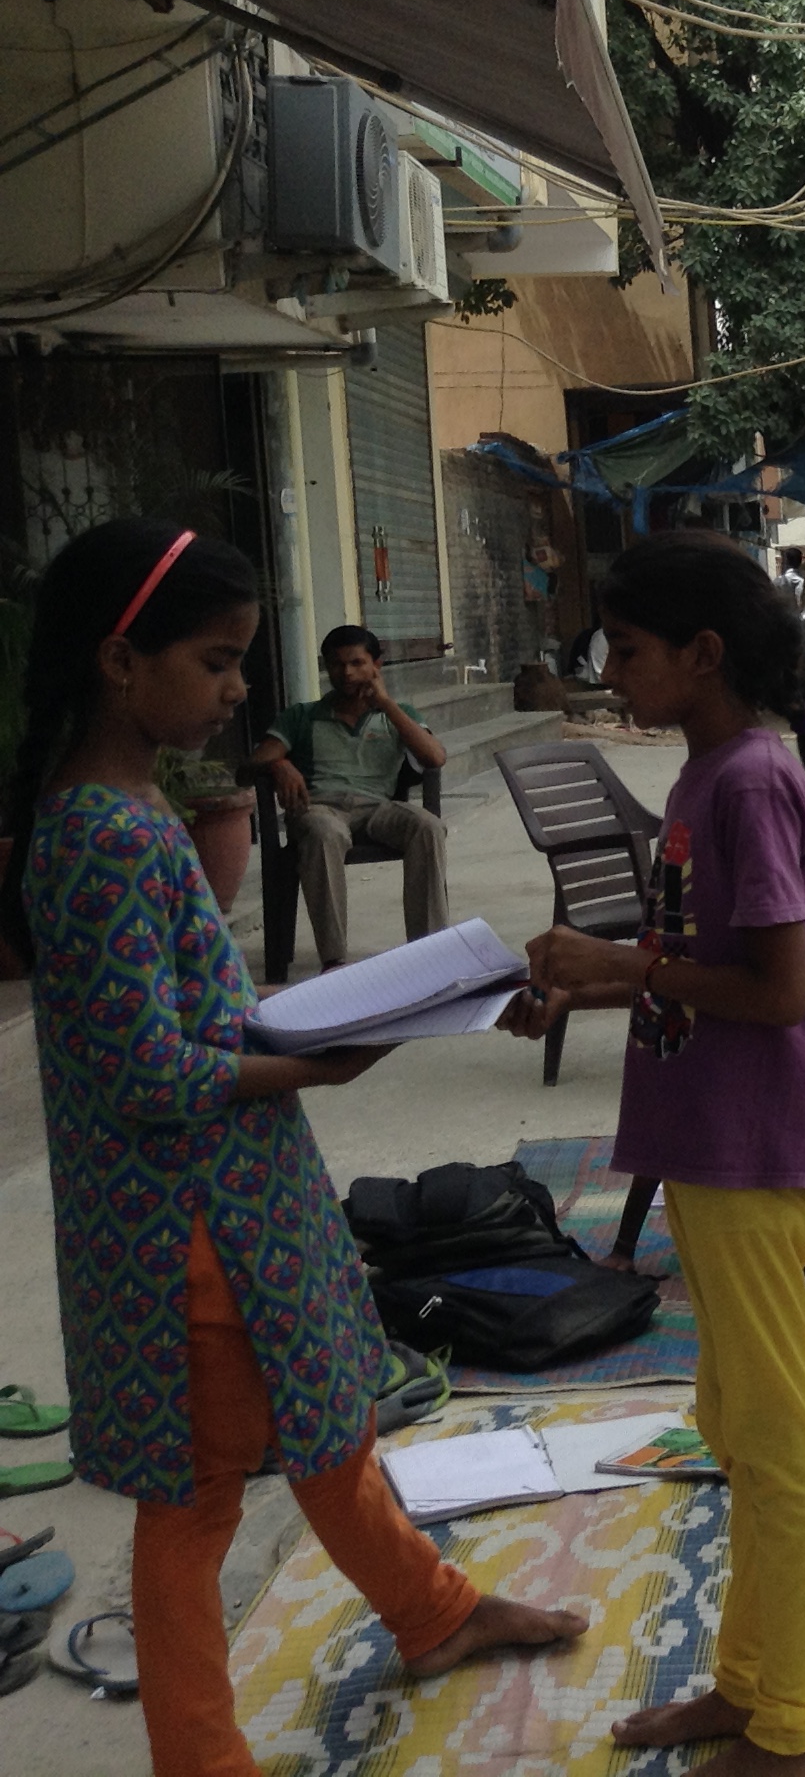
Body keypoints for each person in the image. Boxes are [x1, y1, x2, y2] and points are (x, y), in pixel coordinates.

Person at [2, 520, 583, 1777]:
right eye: (215, 663)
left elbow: (186, 1026)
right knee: (196, 1503)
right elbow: (144, 1073)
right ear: (118, 659)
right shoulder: (101, 835)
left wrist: (344, 1028)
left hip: (240, 1204)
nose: (233, 693)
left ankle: (432, 1612)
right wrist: (321, 1059)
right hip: (182, 1240)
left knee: (326, 1427)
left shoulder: (132, 808)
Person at [503, 530, 805, 1776]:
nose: (611, 669)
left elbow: (777, 986)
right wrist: (589, 982)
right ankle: (749, 1687)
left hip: (751, 1150)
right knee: (737, 1418)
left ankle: (798, 1732)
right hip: (713, 1139)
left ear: (705, 655)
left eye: (632, 649)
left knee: (772, 1439)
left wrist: (620, 967)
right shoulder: (715, 772)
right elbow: (695, 962)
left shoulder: (751, 780)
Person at [247, 623, 449, 971]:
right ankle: (335, 961)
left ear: (377, 666)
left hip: (378, 808)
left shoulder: (397, 715)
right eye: (337, 664)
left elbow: (434, 757)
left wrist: (386, 704)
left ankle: (430, 953)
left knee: (427, 826)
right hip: (320, 808)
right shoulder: (303, 716)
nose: (347, 672)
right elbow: (252, 763)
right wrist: (279, 764)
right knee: (326, 833)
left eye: (357, 663)